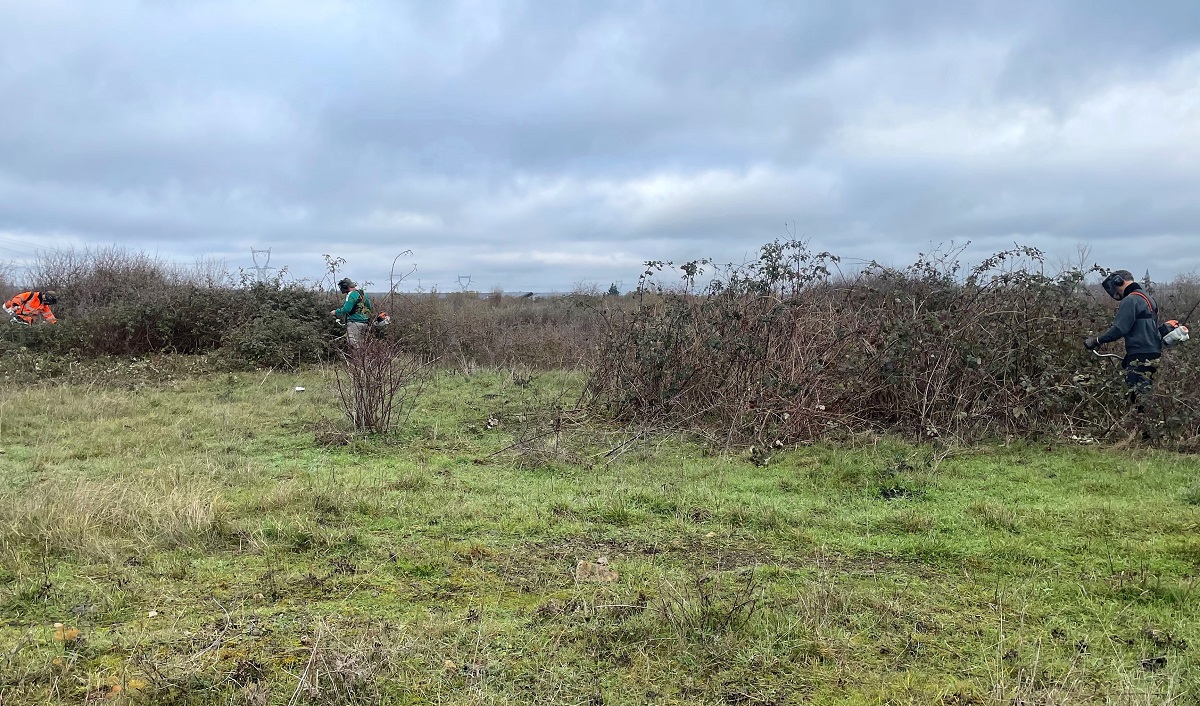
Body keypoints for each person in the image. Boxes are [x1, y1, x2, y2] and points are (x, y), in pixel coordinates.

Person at [1084, 269, 1161, 410]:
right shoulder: (1149, 298)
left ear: (1118, 281)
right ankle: (1149, 427)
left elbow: (1119, 329)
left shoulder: (1130, 300)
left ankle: (1141, 429)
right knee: (1148, 395)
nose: (1116, 293)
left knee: (1137, 398)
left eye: (1115, 288)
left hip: (1139, 355)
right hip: (1155, 353)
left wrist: (1096, 340)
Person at [330, 278, 372, 346]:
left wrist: (335, 312)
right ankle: (363, 356)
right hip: (365, 323)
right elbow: (369, 307)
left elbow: (346, 309)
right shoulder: (363, 293)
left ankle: (358, 356)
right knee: (361, 344)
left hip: (354, 323)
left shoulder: (351, 294)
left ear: (345, 286)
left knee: (353, 343)